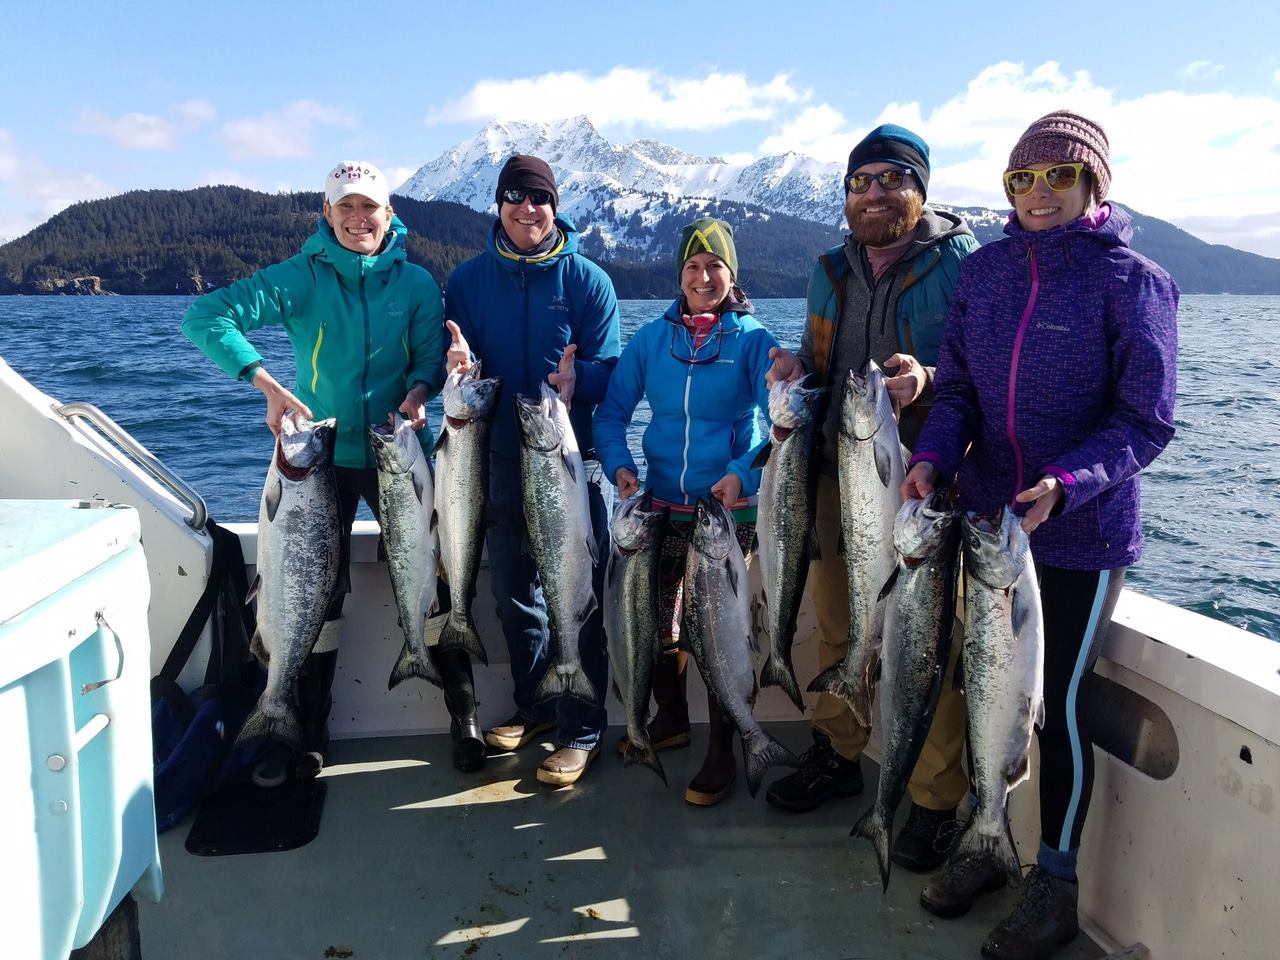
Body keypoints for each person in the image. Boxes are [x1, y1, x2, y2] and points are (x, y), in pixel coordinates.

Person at [902, 111, 1178, 960]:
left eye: (1060, 176)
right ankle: (988, 841)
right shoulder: (983, 276)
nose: (1039, 194)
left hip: (1079, 534)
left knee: (1053, 706)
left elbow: (1147, 421)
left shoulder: (1134, 282)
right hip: (987, 525)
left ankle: (1053, 884)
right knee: (974, 687)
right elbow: (954, 393)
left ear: (1096, 184)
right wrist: (933, 457)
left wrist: (1065, 485)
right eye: (1023, 180)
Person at [180, 160, 480, 784]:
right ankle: (303, 731)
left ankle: (465, 715)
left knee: (439, 579)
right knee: (317, 594)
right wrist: (264, 384)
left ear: (389, 216)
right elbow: (206, 317)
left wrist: (419, 394)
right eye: (344, 207)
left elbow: (428, 358)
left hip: (400, 453)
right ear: (327, 215)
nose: (357, 218)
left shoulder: (418, 284)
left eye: (368, 206)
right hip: (322, 462)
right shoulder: (302, 277)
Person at [763, 124, 979, 869]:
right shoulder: (830, 270)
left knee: (926, 648)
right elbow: (823, 361)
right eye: (862, 182)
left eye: (892, 179)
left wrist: (931, 381)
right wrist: (797, 367)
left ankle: (934, 799)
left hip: (926, 486)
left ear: (922, 190)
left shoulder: (964, 266)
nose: (875, 194)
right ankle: (838, 750)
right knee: (838, 625)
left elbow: (986, 373)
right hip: (832, 473)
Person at [444, 155, 620, 787]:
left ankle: (583, 725)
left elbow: (612, 370)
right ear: (498, 205)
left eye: (538, 199)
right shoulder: (466, 282)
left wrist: (582, 378)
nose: (527, 210)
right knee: (513, 593)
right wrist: (456, 368)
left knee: (576, 594)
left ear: (555, 206)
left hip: (571, 460)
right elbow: (459, 363)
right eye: (514, 198)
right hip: (495, 461)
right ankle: (538, 705)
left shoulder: (590, 282)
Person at [594, 216, 778, 805]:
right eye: (693, 268)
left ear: (731, 274)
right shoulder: (652, 340)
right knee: (653, 622)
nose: (703, 277)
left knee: (713, 635)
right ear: (680, 275)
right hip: (659, 509)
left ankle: (723, 750)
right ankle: (670, 720)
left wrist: (743, 475)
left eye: (714, 267)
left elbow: (781, 426)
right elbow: (611, 412)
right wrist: (620, 465)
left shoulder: (753, 341)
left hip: (724, 515)